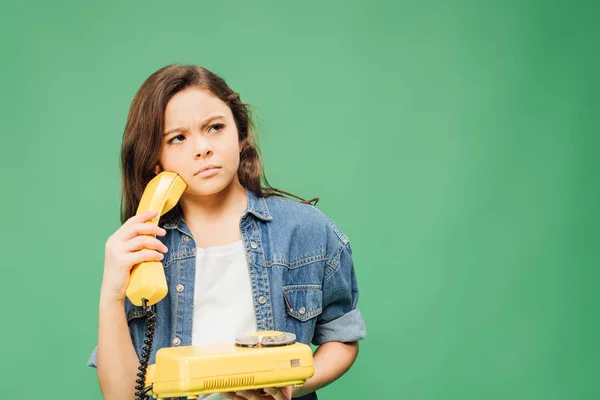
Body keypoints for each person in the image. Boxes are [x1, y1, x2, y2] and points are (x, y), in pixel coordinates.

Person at [86, 64, 366, 400]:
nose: (202, 148)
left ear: (240, 133)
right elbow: (121, 395)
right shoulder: (144, 249)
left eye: (215, 127)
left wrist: (293, 384)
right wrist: (111, 294)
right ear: (156, 163)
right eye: (178, 138)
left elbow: (342, 337)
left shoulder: (306, 229)